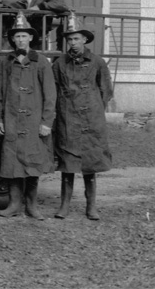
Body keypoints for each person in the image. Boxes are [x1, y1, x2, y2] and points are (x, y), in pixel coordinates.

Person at [0, 12, 56, 220]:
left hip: (34, 120)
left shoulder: (41, 62)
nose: (20, 39)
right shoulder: (6, 62)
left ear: (31, 38)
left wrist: (47, 121)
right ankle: (13, 204)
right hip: (11, 119)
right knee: (12, 163)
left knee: (33, 162)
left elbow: (50, 94)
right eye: (16, 36)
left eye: (24, 36)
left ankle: (32, 205)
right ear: (13, 39)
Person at [52, 12, 114, 220]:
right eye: (70, 39)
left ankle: (91, 206)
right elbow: (55, 89)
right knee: (68, 163)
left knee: (90, 163)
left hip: (91, 120)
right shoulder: (60, 63)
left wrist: (94, 109)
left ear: (85, 39)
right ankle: (64, 206)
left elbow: (106, 91)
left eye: (77, 38)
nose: (73, 42)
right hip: (68, 118)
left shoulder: (97, 62)